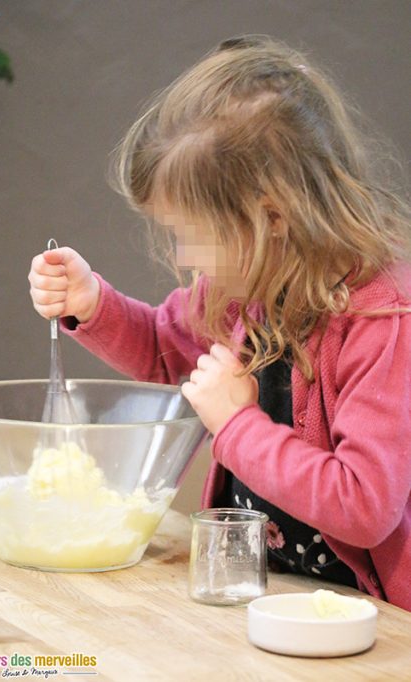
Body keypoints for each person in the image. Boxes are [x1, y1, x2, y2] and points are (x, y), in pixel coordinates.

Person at [28, 35, 411, 610]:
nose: (182, 258)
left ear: (270, 217)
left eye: (189, 234)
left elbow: (363, 506)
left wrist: (236, 425)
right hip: (269, 592)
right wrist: (93, 302)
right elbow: (164, 350)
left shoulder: (381, 319)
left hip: (369, 620)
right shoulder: (242, 289)